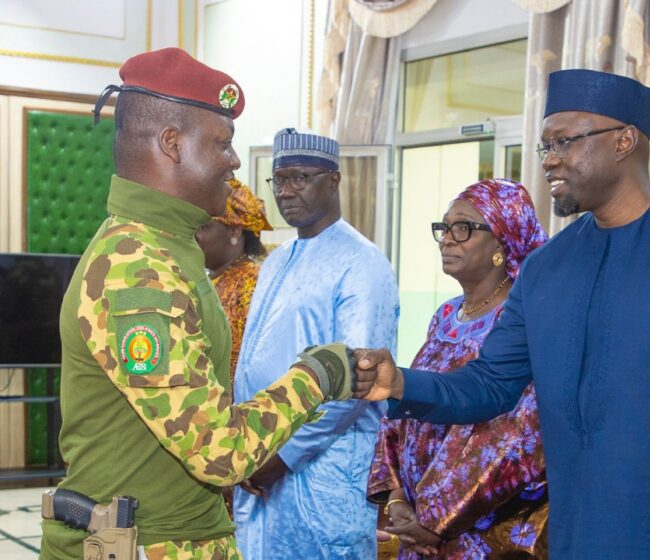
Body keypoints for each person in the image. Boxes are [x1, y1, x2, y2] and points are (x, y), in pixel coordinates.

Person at [351, 69, 650, 559]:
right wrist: (401, 384)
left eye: (564, 142)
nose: (550, 160)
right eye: (545, 146)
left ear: (624, 141)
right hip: (576, 539)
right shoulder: (544, 269)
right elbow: (489, 385)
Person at [40, 48, 356, 560]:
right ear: (172, 144)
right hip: (147, 546)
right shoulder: (137, 269)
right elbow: (219, 451)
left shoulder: (164, 247)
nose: (234, 160)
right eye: (223, 144)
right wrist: (320, 374)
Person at [233, 128, 400, 558]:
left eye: (300, 178)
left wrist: (283, 456)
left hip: (323, 474)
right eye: (279, 180)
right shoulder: (276, 261)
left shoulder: (361, 263)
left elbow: (356, 382)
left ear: (334, 180)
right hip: (259, 459)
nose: (286, 192)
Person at [368, 179, 549, 559]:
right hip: (419, 525)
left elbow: (514, 432)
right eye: (445, 228)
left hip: (481, 532)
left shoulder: (525, 322)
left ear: (503, 241)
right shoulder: (446, 315)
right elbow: (404, 411)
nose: (448, 239)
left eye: (464, 228)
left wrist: (436, 519)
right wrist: (398, 498)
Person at [195, 178, 272, 381]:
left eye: (203, 227)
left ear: (234, 230)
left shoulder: (252, 285)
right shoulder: (208, 279)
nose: (194, 234)